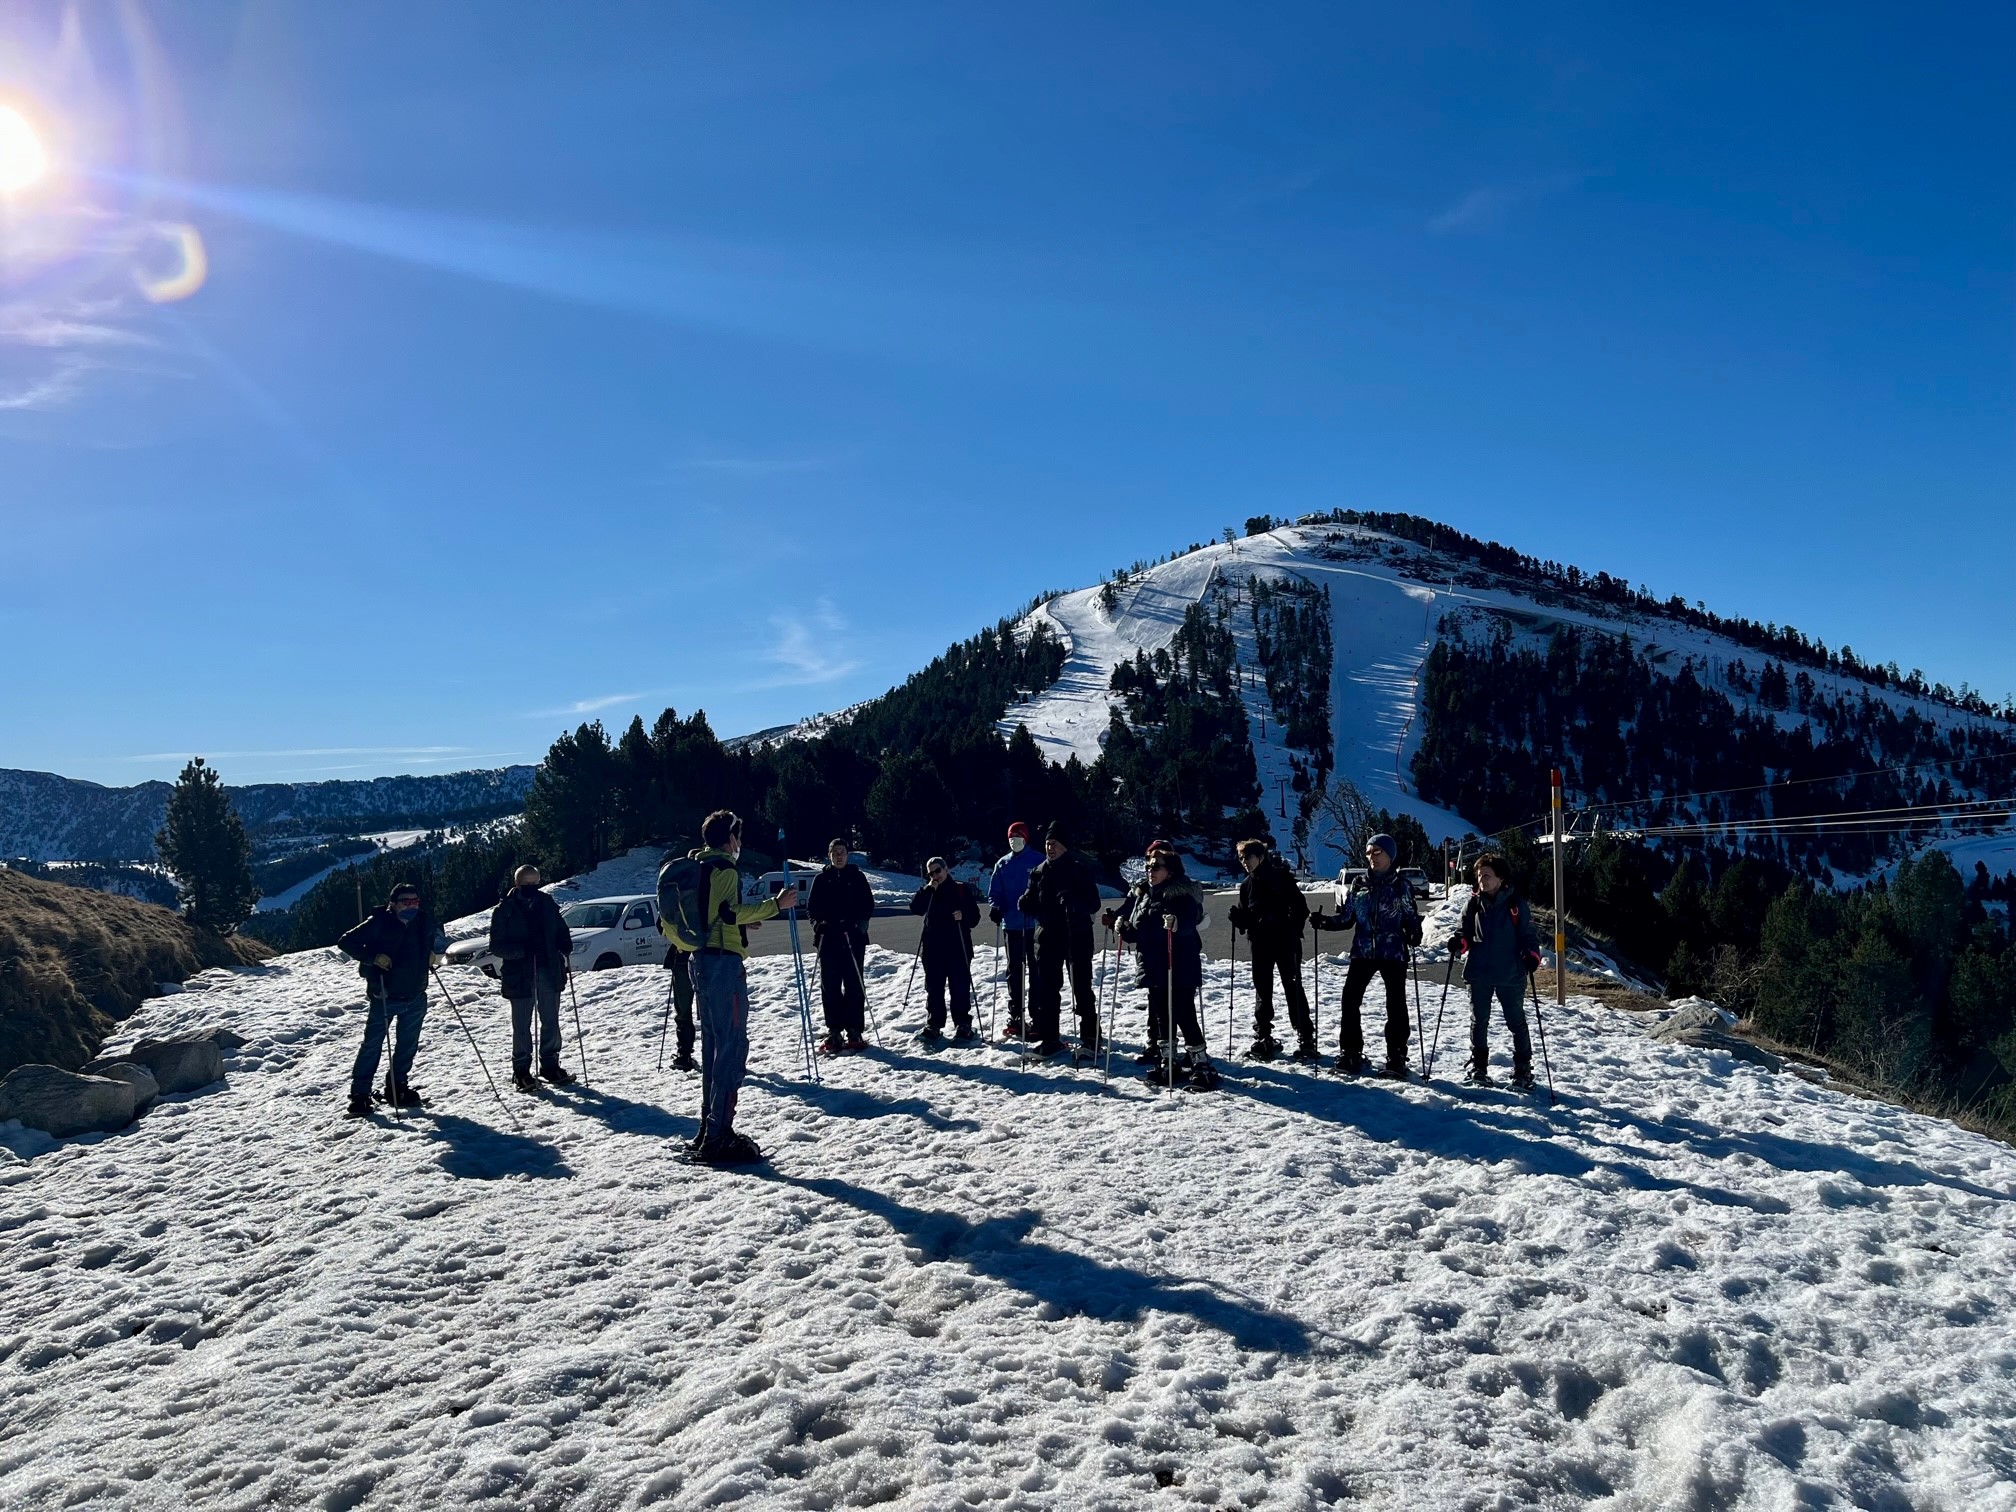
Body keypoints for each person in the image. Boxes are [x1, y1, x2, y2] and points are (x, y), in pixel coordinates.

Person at [681, 808, 797, 1165]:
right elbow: (729, 913)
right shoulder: (725, 868)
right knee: (731, 1047)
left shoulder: (696, 866)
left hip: (699, 960)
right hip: (722, 964)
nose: (740, 844)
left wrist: (745, 923)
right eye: (739, 837)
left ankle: (708, 1126)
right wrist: (774, 905)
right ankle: (720, 1133)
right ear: (731, 838)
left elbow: (716, 914)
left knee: (713, 1046)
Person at [1311, 833, 1422, 1077]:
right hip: (1363, 950)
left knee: (1395, 1004)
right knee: (1349, 999)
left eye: (1378, 852)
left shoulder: (1401, 885)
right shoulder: (1359, 884)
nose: (1372, 856)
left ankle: (1396, 1055)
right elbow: (1347, 918)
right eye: (1369, 852)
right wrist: (1325, 922)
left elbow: (1411, 916)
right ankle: (1351, 1052)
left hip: (1392, 951)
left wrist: (1415, 932)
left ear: (1390, 855)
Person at [338, 882, 450, 1116]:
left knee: (407, 1046)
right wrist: (373, 957)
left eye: (415, 901)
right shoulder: (379, 922)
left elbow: (431, 940)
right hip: (385, 994)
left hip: (416, 993)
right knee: (373, 1045)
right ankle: (359, 1094)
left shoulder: (423, 921)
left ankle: (397, 1087)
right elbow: (346, 941)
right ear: (393, 904)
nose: (411, 905)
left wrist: (430, 954)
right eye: (405, 901)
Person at [1118, 850, 1214, 1084]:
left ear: (1170, 871)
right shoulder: (1146, 896)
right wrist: (1124, 929)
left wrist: (1177, 924)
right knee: (1161, 1014)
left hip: (1178, 964)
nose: (1150, 872)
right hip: (1155, 965)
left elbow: (1190, 923)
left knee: (1183, 1011)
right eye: (1148, 867)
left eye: (1156, 867)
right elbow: (1141, 931)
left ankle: (1201, 1063)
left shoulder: (1182, 895)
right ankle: (1167, 1061)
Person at [1452, 852, 1540, 1089]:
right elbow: (1464, 934)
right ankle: (1479, 1067)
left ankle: (1523, 1070)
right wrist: (1458, 944)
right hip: (1479, 972)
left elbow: (1528, 936)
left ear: (1501, 878)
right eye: (1479, 875)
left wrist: (1532, 956)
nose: (1482, 880)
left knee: (1516, 1022)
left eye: (1487, 875)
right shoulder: (1472, 904)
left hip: (1510, 974)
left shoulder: (1515, 905)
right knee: (1478, 1021)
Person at [1017, 821, 1103, 1060]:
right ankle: (1050, 1038)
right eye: (1047, 843)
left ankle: (1090, 1038)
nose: (1050, 847)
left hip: (1076, 936)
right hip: (1046, 938)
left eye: (1054, 843)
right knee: (1047, 990)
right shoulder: (1039, 871)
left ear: (1064, 845)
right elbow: (1031, 898)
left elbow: (1093, 903)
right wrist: (1026, 902)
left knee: (1082, 989)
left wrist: (1074, 901)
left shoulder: (1078, 868)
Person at [488, 863, 576, 1092]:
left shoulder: (547, 904)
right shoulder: (504, 910)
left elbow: (561, 929)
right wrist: (521, 950)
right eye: (526, 884)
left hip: (548, 969)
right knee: (521, 1024)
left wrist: (565, 943)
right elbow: (496, 946)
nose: (531, 887)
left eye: (534, 883)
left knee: (550, 1020)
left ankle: (550, 1064)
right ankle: (521, 1069)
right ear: (517, 884)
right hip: (520, 974)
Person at [1228, 839, 1316, 1063]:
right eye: (1241, 858)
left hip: (1285, 942)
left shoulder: (1281, 877)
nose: (1244, 862)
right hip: (1260, 944)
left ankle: (1305, 1036)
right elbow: (1247, 916)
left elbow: (1301, 907)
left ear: (1260, 856)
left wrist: (1290, 926)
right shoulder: (1246, 885)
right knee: (1262, 988)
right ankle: (1264, 1034)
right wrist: (1239, 919)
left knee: (1292, 986)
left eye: (1248, 857)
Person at [807, 837, 874, 1054]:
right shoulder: (821, 879)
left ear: (847, 854)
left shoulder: (857, 877)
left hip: (852, 938)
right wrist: (818, 925)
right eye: (835, 852)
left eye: (842, 851)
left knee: (854, 984)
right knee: (831, 986)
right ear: (829, 855)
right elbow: (812, 908)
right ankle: (834, 1029)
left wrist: (859, 926)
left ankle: (854, 1028)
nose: (839, 855)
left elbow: (868, 905)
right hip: (829, 940)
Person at [909, 856, 980, 1047]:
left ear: (946, 869)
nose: (935, 876)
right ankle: (934, 1024)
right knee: (934, 989)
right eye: (930, 873)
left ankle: (963, 1023)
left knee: (959, 987)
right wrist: (927, 889)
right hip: (933, 949)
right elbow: (915, 908)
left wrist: (963, 915)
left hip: (958, 947)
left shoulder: (960, 889)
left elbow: (975, 917)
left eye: (937, 871)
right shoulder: (929, 891)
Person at [987, 822, 1041, 1038]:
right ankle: (1016, 1014)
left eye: (1018, 836)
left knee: (1036, 971)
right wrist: (995, 906)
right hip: (1011, 925)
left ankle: (1038, 1015)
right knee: (1014, 972)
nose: (1014, 840)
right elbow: (995, 891)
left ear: (1026, 838)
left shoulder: (1037, 860)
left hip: (1033, 925)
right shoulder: (1003, 864)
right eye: (1011, 837)